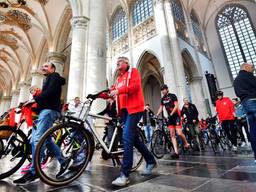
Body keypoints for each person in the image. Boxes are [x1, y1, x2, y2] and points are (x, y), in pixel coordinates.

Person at [14, 62, 66, 184]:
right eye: (42, 66)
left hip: (49, 111)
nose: (43, 68)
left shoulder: (54, 77)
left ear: (53, 69)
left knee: (37, 139)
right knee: (43, 140)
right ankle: (63, 161)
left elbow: (51, 93)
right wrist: (32, 106)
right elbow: (46, 98)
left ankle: (34, 170)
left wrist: (34, 100)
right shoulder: (48, 79)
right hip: (45, 111)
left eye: (46, 66)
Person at [110, 56, 156, 187]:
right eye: (116, 62)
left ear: (126, 63)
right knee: (134, 139)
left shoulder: (133, 72)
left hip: (135, 109)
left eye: (120, 61)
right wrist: (100, 94)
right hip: (124, 112)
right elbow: (112, 91)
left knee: (126, 137)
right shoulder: (118, 78)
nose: (117, 63)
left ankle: (124, 174)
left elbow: (135, 87)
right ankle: (150, 160)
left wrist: (118, 90)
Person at [156, 84, 190, 159]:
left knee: (179, 133)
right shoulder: (163, 99)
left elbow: (176, 106)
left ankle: (186, 143)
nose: (162, 91)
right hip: (170, 118)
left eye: (164, 89)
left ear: (167, 89)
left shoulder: (173, 96)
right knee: (172, 135)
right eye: (161, 90)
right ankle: (176, 152)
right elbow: (161, 108)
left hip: (176, 116)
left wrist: (171, 113)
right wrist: (156, 115)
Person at [234, 62, 256, 163]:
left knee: (253, 129)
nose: (253, 70)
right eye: (252, 68)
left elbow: (238, 93)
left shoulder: (236, 80)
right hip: (254, 100)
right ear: (246, 67)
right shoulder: (249, 76)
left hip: (246, 103)